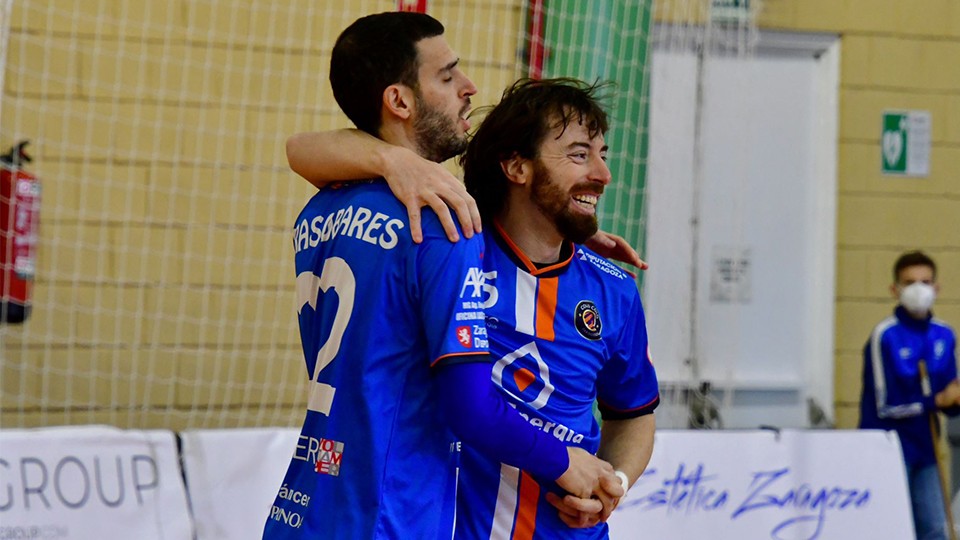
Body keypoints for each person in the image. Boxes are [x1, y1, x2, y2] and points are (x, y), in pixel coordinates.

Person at [263, 12, 619, 539]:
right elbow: (471, 405)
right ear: (401, 101)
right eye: (448, 76)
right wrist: (566, 461)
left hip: (307, 507)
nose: (469, 87)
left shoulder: (320, 206)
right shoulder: (442, 221)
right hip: (392, 512)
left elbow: (300, 148)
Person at [455, 77, 659, 539]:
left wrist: (614, 483)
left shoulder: (615, 290)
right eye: (579, 154)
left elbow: (633, 415)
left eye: (602, 154)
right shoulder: (452, 257)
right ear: (515, 166)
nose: (603, 175)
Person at [859, 250, 960, 540]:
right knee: (891, 529)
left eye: (926, 282)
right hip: (888, 447)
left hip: (927, 447)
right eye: (910, 282)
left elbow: (948, 394)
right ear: (895, 290)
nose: (919, 289)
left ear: (937, 288)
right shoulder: (885, 335)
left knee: (934, 528)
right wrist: (935, 401)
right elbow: (885, 405)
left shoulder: (945, 334)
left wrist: (953, 401)